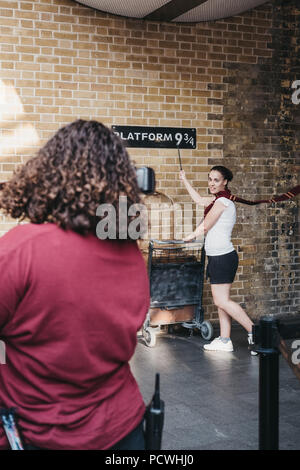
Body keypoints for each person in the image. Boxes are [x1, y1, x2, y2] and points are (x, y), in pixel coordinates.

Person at [0, 119, 150, 450]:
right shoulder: (128, 250)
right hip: (123, 430)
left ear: (50, 172)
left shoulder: (20, 248)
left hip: (41, 431)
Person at [179, 166, 256, 354]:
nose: (212, 183)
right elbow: (198, 200)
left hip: (223, 258)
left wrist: (189, 237)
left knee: (222, 301)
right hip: (218, 257)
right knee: (222, 301)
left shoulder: (223, 201)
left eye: (216, 180)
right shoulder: (217, 199)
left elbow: (206, 225)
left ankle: (257, 333)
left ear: (225, 182)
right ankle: (224, 339)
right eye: (210, 179)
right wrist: (185, 180)